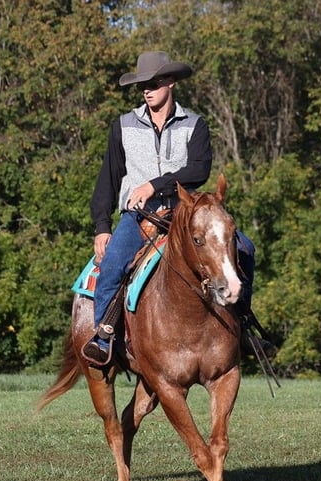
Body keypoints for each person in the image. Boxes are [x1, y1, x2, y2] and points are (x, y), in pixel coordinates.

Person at [82, 51, 274, 366]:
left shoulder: (195, 124)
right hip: (139, 217)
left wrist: (154, 185)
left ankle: (243, 326)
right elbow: (108, 179)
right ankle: (103, 336)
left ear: (170, 82)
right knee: (113, 263)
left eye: (154, 83)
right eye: (143, 84)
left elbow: (199, 170)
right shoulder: (123, 126)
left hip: (185, 215)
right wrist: (101, 226)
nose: (147, 90)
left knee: (245, 248)